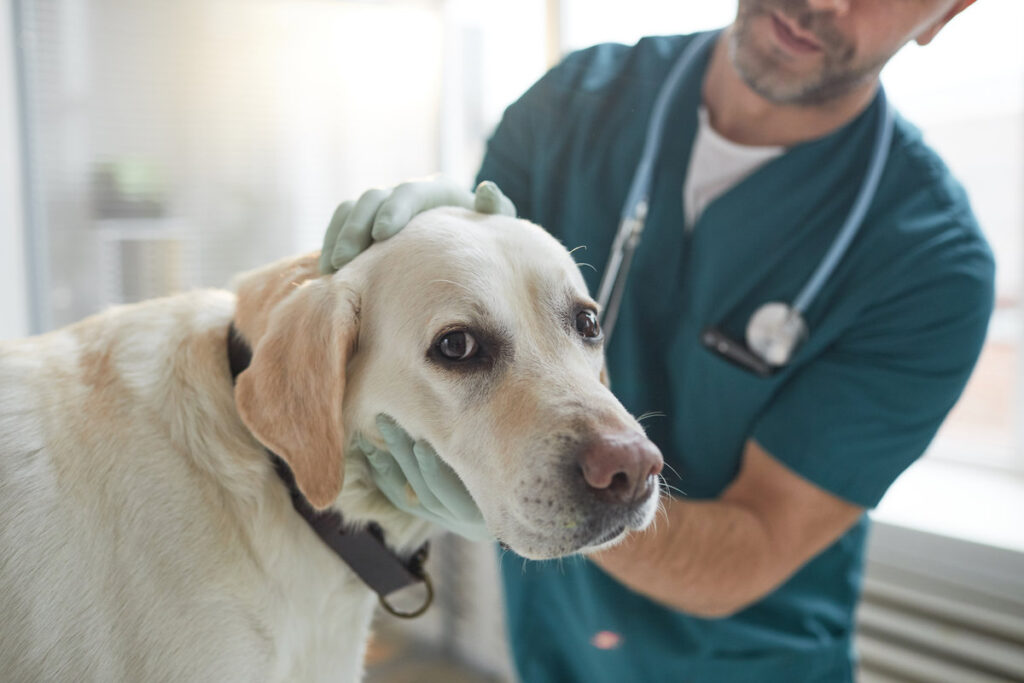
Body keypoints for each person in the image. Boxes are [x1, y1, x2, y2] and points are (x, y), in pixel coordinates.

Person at [320, 0, 995, 680]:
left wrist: (562, 493)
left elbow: (754, 542)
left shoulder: (931, 266)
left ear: (947, 13)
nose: (822, 0)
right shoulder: (567, 108)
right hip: (551, 654)